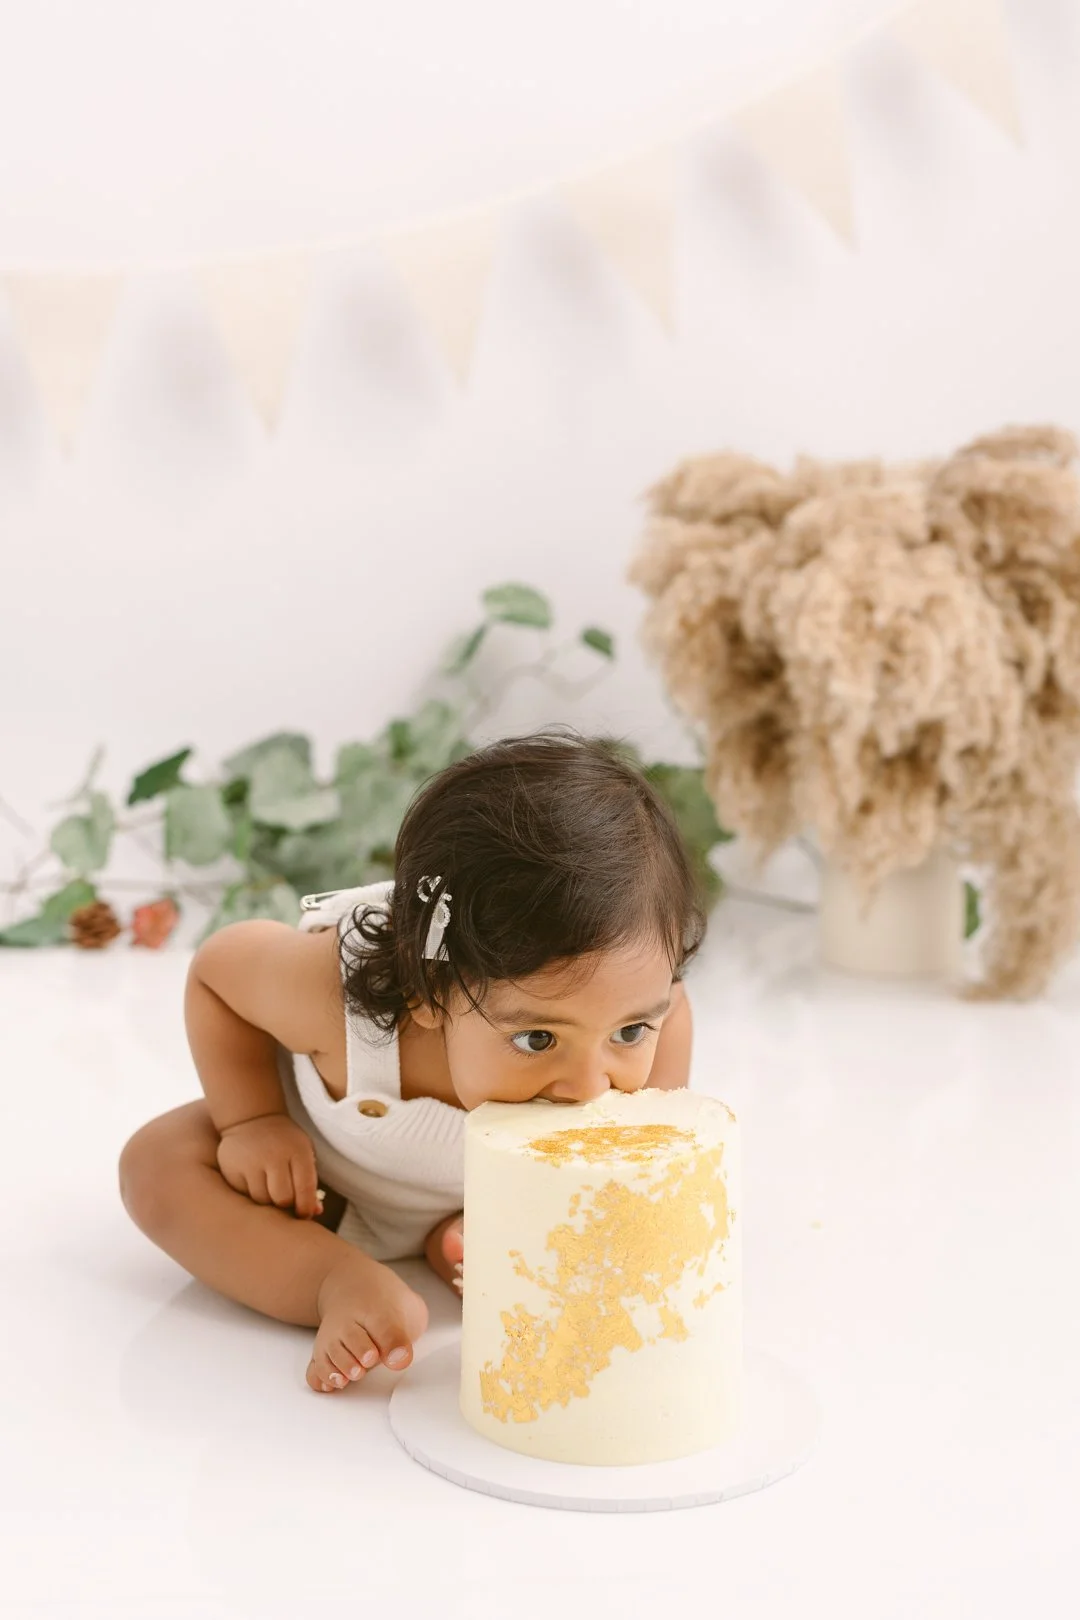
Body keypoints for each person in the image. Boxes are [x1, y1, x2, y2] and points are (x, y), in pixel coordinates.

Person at [119, 730, 704, 1395]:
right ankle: (332, 1280)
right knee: (157, 1166)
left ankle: (459, 1232)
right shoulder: (329, 996)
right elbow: (217, 973)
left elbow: (672, 1013)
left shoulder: (649, 1011)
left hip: (475, 1195)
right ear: (429, 992)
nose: (588, 1087)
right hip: (316, 1185)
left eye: (628, 1031)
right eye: (538, 1040)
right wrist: (251, 1119)